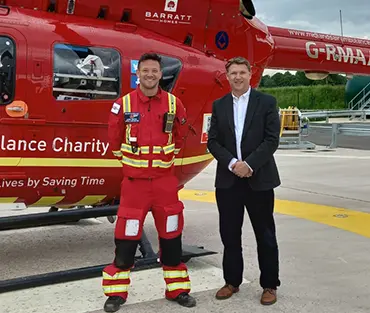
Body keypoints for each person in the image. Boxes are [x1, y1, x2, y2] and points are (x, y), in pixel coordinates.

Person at [102, 52, 196, 312]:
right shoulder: (124, 105)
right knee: (126, 240)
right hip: (134, 185)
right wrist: (133, 164)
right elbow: (114, 140)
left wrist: (163, 161)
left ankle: (177, 290)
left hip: (166, 184)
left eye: (155, 71)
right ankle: (116, 295)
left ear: (160, 73)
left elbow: (179, 136)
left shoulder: (175, 104)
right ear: (138, 73)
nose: (150, 75)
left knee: (172, 238)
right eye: (145, 70)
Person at [207, 56, 281, 305]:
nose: (237, 77)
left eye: (242, 72)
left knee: (265, 234)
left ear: (250, 74)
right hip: (228, 181)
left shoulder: (267, 102)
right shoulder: (219, 105)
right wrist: (232, 164)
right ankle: (232, 281)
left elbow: (271, 140)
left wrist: (248, 165)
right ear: (226, 77)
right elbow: (213, 141)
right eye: (233, 73)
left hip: (258, 178)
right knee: (229, 234)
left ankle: (270, 284)